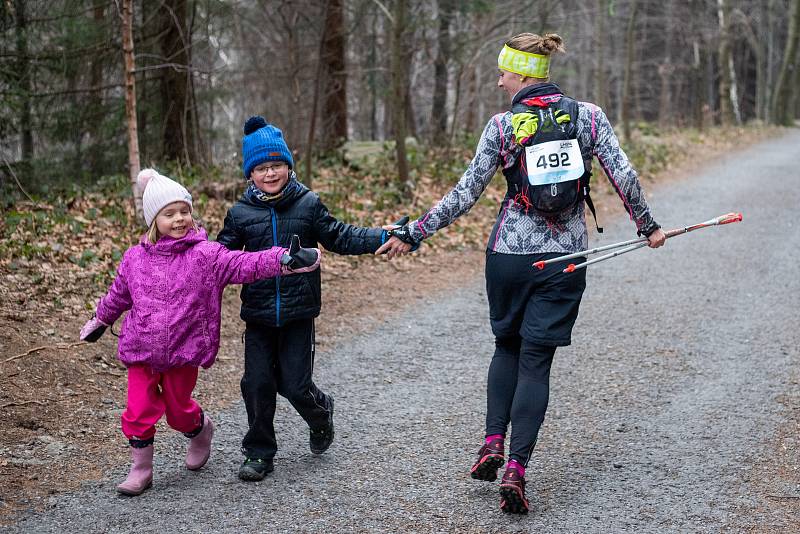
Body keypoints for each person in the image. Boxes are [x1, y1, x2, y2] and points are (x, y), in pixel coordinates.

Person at [377, 33, 667, 513]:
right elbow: (625, 176)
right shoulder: (588, 117)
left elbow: (465, 193)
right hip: (566, 259)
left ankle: (492, 440)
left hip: (510, 256)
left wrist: (415, 231)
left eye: (505, 73)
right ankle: (516, 468)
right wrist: (647, 226)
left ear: (525, 75)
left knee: (506, 346)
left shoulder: (505, 124)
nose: (499, 81)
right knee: (536, 362)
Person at [79, 168, 320, 496]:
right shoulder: (135, 259)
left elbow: (244, 263)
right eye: (169, 214)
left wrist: (284, 259)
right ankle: (141, 469)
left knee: (178, 412)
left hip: (183, 349)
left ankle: (199, 430)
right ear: (153, 221)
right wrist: (100, 320)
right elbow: (118, 294)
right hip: (141, 349)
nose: (179, 219)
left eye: (184, 211)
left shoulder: (205, 255)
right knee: (138, 410)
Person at [217, 116, 393, 482]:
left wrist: (380, 237)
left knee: (295, 385)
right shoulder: (240, 214)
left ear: (288, 166)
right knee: (257, 383)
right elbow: (218, 260)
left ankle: (320, 413)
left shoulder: (308, 204)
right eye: (261, 168)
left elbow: (341, 236)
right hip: (259, 315)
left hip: (299, 313)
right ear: (250, 174)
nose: (270, 174)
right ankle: (259, 452)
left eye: (276, 165)